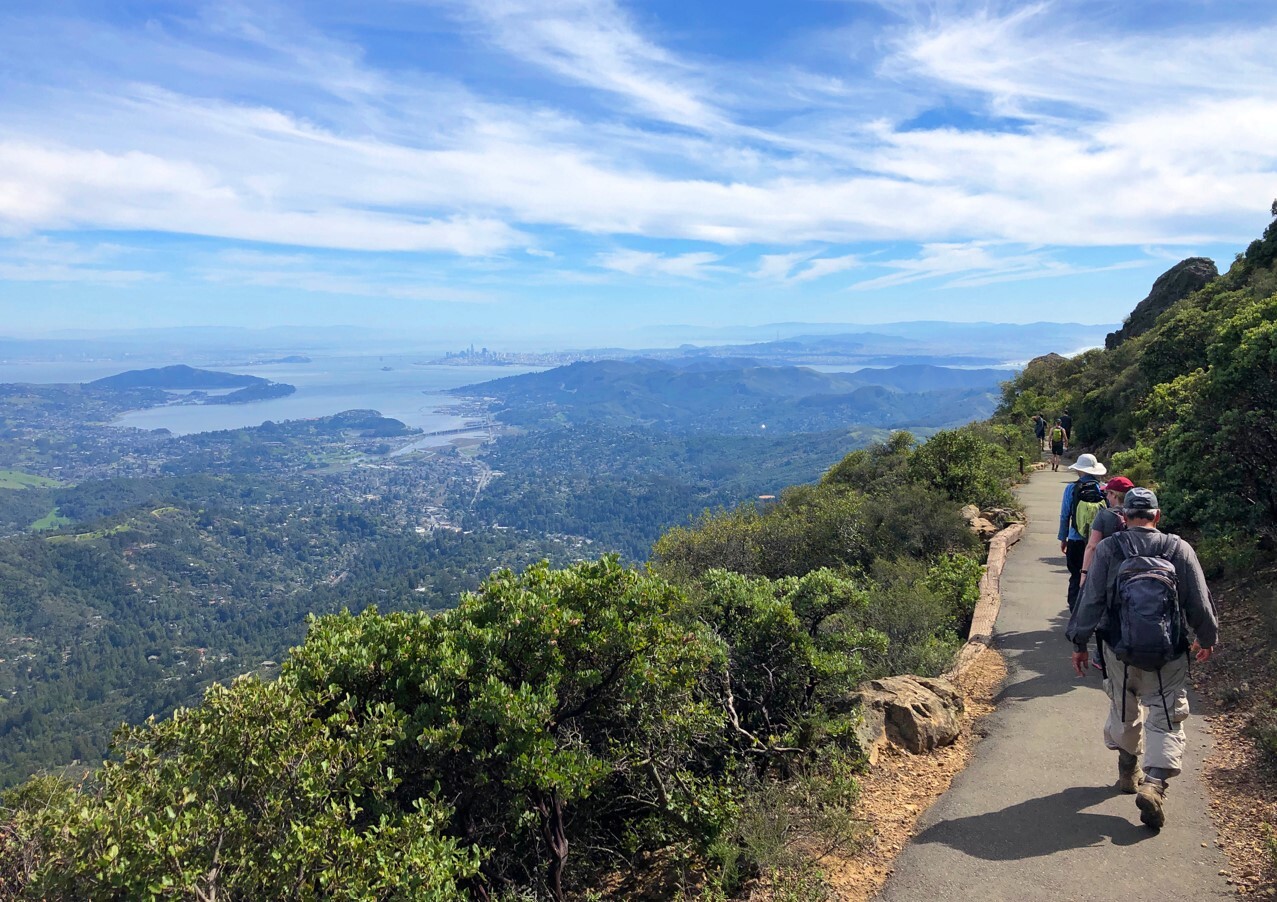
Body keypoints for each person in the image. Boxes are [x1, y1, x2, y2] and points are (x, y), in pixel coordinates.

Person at [1066, 487, 1218, 829]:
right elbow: (1199, 600)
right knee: (1165, 716)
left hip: (1119, 651)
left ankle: (1127, 769)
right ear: (1157, 516)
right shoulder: (1178, 548)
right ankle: (1154, 784)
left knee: (1124, 708)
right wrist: (1206, 637)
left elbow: (1091, 601)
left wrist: (1079, 642)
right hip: (1169, 652)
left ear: (1124, 516)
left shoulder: (1109, 548)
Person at [1059, 453, 1106, 612]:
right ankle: (1092, 614)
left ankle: (1075, 613)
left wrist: (1063, 538)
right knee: (1096, 578)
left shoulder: (1071, 488)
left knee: (1076, 577)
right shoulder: (1103, 489)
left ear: (1079, 470)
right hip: (1098, 541)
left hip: (1075, 539)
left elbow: (1065, 515)